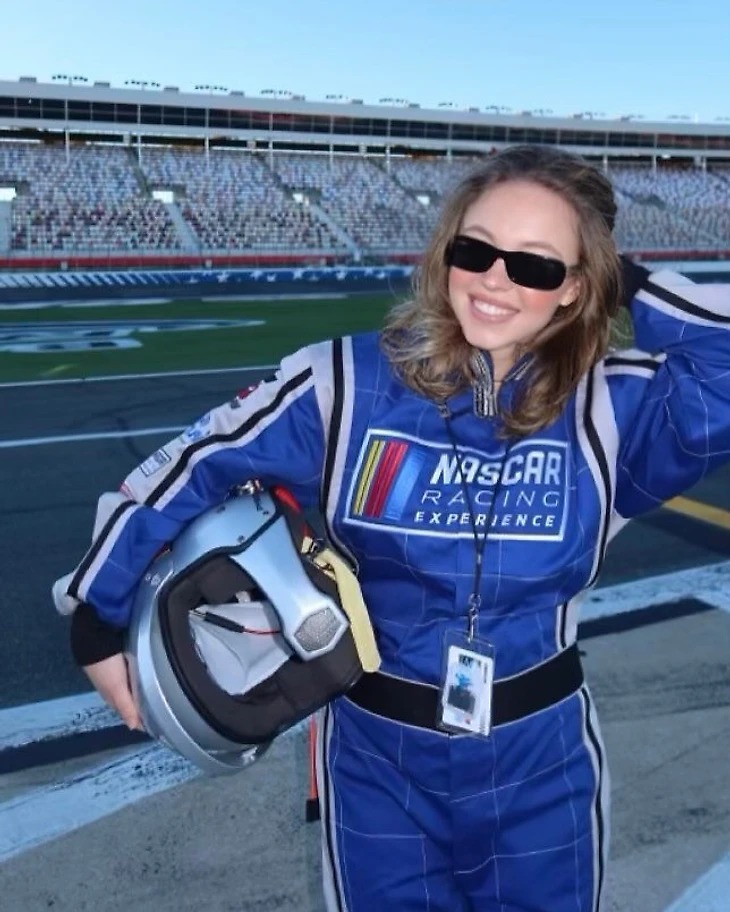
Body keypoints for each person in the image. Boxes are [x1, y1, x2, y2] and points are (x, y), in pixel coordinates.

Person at [53, 144, 730, 911]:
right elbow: (194, 464)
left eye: (536, 264)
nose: (496, 279)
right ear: (447, 251)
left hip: (543, 761)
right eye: (477, 250)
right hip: (375, 760)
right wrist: (98, 614)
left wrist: (624, 277)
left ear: (577, 287)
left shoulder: (618, 410)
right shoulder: (343, 382)